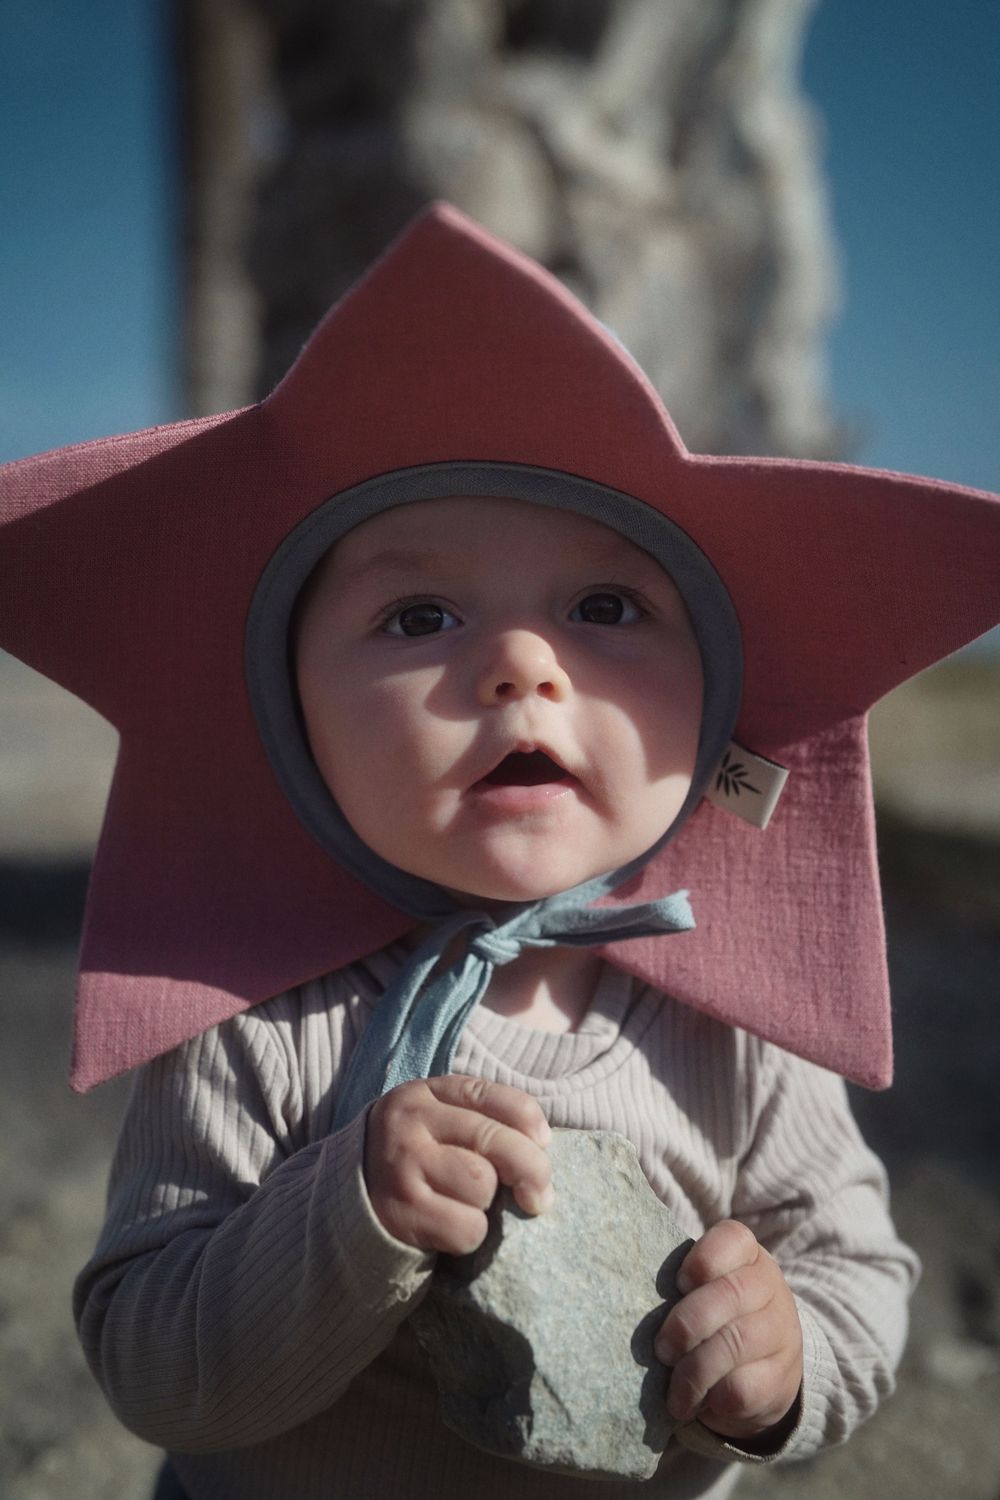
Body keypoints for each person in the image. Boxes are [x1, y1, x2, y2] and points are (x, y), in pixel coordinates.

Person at [2, 204, 998, 1499]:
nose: (522, 667)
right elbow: (147, 1361)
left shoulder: (735, 1023)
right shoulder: (256, 1017)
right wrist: (347, 1216)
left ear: (711, 712)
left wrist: (788, 1359)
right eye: (420, 614)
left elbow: (857, 1267)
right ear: (288, 720)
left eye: (605, 608)